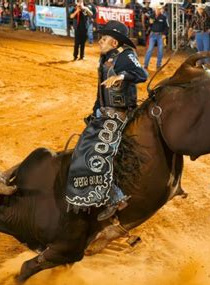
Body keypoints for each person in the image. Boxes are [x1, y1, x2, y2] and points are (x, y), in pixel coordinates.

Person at [66, 21, 148, 221]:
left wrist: (122, 75)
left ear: (114, 42)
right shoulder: (106, 58)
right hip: (107, 111)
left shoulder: (125, 56)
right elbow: (101, 90)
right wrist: (96, 109)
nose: (99, 42)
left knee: (95, 151)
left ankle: (116, 198)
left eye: (103, 39)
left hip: (119, 113)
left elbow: (142, 75)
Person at [143, 5, 169, 70]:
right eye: (157, 9)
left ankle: (158, 65)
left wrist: (164, 34)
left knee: (160, 50)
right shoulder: (151, 16)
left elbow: (166, 27)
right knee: (149, 49)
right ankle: (145, 65)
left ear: (161, 10)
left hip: (160, 35)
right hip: (152, 35)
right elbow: (148, 25)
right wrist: (149, 23)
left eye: (159, 9)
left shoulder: (163, 17)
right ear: (155, 9)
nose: (158, 10)